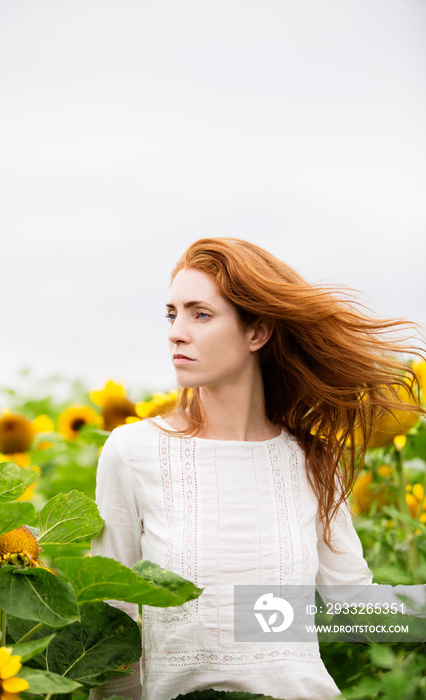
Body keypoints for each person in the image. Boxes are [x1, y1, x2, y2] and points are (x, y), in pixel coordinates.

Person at [90, 237, 425, 700]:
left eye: (200, 314)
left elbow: (350, 607)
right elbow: (113, 616)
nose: (176, 331)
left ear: (256, 332)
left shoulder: (312, 460)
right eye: (172, 313)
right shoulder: (133, 452)